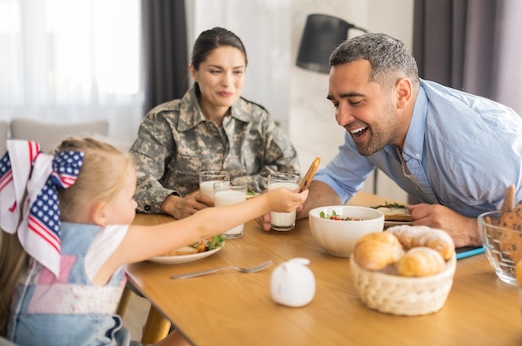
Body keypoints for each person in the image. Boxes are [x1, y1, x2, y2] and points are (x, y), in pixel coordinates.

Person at [257, 32, 522, 249]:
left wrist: (472, 231)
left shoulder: (479, 147)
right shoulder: (371, 130)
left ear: (402, 93)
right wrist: (294, 206)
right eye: (336, 103)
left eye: (355, 101)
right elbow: (335, 181)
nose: (341, 118)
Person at [0, 137, 307, 346]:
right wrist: (267, 202)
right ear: (102, 213)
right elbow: (200, 227)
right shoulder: (105, 242)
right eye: (130, 197)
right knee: (215, 328)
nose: (135, 205)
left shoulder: (29, 233)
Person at [130, 27, 300, 219]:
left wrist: (232, 188)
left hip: (249, 228)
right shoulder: (164, 121)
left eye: (237, 72)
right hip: (185, 233)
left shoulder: (257, 118)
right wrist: (172, 203)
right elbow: (131, 180)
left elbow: (290, 171)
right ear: (194, 71)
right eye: (215, 71)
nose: (228, 82)